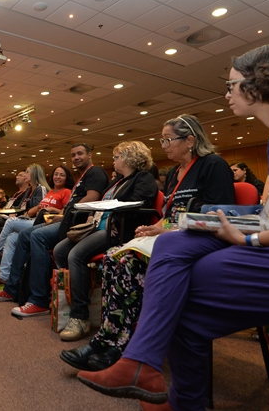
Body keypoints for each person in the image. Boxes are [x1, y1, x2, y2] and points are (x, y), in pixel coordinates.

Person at [75, 44, 269, 411]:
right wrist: (222, 224)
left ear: (260, 83)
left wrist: (249, 238)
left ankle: (168, 387)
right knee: (170, 245)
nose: (227, 93)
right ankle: (143, 364)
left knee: (186, 292)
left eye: (231, 85)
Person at [61, 114, 234, 373]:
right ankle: (106, 339)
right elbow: (170, 214)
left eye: (168, 140)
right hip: (174, 235)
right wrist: (156, 227)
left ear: (190, 140)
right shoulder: (175, 172)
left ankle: (121, 346)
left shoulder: (213, 165)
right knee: (112, 256)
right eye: (162, 140)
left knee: (127, 261)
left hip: (202, 239)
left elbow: (217, 215)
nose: (164, 145)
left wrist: (168, 229)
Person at [53, 141, 159, 342]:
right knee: (60, 250)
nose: (114, 161)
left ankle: (80, 317)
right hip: (97, 227)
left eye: (116, 157)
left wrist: (112, 207)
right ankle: (86, 293)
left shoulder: (143, 178)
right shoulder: (117, 181)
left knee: (75, 255)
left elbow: (140, 204)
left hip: (117, 230)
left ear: (128, 158)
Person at [0, 144, 108, 318]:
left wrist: (65, 213)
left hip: (77, 226)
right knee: (23, 235)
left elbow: (92, 198)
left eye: (80, 154)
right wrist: (61, 214)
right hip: (65, 220)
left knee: (37, 236)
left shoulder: (95, 172)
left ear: (90, 155)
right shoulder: (81, 177)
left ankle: (39, 301)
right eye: (73, 155)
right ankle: (12, 289)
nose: (76, 157)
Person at [0, 164, 67, 287]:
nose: (57, 177)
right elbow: (37, 207)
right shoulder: (49, 192)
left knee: (9, 222)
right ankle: (4, 276)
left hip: (44, 224)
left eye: (61, 175)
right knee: (11, 238)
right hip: (34, 220)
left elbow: (65, 212)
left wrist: (51, 210)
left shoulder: (60, 191)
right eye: (56, 174)